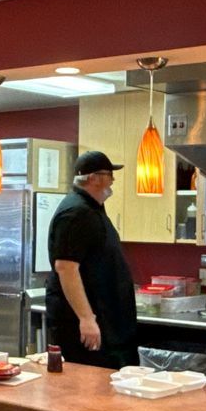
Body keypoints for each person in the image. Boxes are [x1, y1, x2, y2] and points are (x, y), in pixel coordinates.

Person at [45, 150, 139, 369]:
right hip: (87, 325)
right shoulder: (76, 213)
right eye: (109, 175)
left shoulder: (92, 209)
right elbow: (66, 268)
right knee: (87, 389)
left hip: (106, 320)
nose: (113, 181)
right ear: (93, 178)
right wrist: (86, 319)